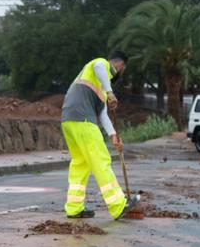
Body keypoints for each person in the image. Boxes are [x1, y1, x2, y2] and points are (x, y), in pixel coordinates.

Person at [60, 50, 140, 220]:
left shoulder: (101, 89)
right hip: (83, 120)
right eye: (123, 69)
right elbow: (99, 66)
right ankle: (118, 205)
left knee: (80, 164)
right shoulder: (100, 63)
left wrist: (113, 136)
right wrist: (111, 92)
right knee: (101, 160)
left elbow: (103, 115)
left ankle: (74, 208)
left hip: (69, 120)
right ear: (120, 65)